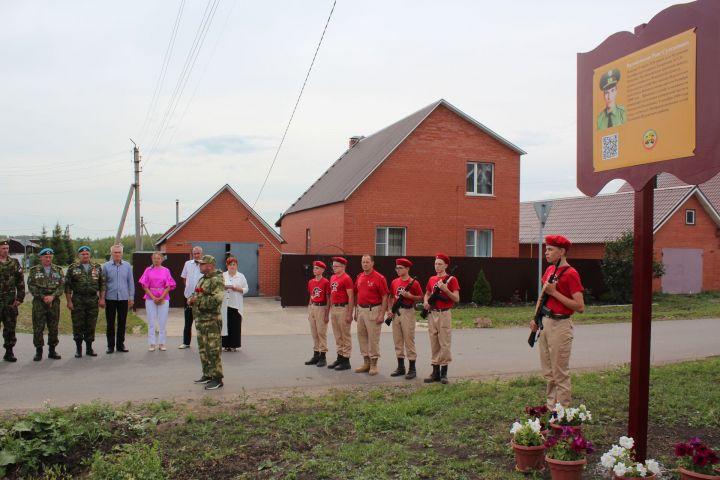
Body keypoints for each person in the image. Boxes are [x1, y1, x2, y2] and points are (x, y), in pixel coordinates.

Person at [530, 235, 585, 409]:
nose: (546, 253)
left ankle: (563, 412)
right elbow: (543, 296)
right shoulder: (549, 271)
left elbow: (580, 306)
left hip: (561, 325)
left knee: (559, 371)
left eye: (550, 249)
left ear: (562, 252)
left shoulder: (571, 274)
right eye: (546, 249)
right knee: (548, 371)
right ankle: (551, 407)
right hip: (545, 322)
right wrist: (535, 318)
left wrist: (555, 293)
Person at [188, 255, 225, 390]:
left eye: (202, 264)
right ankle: (208, 374)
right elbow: (197, 294)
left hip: (211, 320)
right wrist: (191, 298)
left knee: (213, 349)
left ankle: (217, 378)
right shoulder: (203, 279)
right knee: (203, 349)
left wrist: (196, 301)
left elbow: (217, 300)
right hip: (201, 319)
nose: (199, 266)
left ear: (209, 265)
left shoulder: (217, 280)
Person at [423, 253, 460, 385]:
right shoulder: (432, 279)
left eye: (440, 264)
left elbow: (456, 298)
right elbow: (427, 293)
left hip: (444, 313)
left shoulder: (452, 280)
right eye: (435, 264)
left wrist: (446, 290)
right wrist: (426, 302)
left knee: (444, 342)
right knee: (434, 341)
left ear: (446, 265)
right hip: (432, 313)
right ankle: (435, 372)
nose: (437, 266)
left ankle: (444, 373)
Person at [64, 246, 106, 358]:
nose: (85, 256)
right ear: (79, 256)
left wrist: (102, 298)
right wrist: (69, 301)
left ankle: (89, 348)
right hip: (78, 299)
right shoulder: (73, 268)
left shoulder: (96, 267)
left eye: (87, 254)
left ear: (90, 255)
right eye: (83, 254)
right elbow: (67, 286)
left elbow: (102, 284)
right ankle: (78, 349)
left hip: (92, 300)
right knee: (78, 325)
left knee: (91, 325)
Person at [387, 258, 423, 379]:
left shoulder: (414, 282)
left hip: (407, 311)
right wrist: (390, 310)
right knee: (397, 340)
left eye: (400, 268)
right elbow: (391, 297)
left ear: (407, 269)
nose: (397, 270)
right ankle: (400, 367)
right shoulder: (394, 282)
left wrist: (409, 296)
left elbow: (420, 297)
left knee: (408, 339)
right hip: (396, 312)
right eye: (396, 268)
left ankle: (412, 369)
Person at [353, 254, 389, 376]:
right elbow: (356, 293)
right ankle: (366, 363)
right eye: (363, 262)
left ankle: (373, 364)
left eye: (367, 262)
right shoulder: (360, 276)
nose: (365, 264)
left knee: (373, 339)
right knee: (362, 337)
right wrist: (356, 311)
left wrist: (381, 314)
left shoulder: (379, 278)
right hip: (361, 310)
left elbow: (385, 296)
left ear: (372, 263)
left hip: (373, 310)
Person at [27, 248, 64, 361]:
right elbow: (31, 286)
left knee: (53, 327)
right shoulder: (34, 270)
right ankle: (39, 351)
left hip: (54, 302)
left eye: (50, 257)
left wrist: (52, 296)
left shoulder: (58, 270)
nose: (48, 259)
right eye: (45, 257)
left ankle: (52, 351)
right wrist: (43, 297)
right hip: (39, 302)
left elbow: (62, 286)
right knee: (38, 327)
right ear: (41, 257)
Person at [138, 252, 176, 352]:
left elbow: (169, 286)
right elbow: (144, 286)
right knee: (151, 321)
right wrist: (154, 297)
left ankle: (162, 343)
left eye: (158, 258)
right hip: (150, 298)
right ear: (152, 259)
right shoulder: (148, 270)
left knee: (162, 321)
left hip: (164, 298)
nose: (156, 260)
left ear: (162, 259)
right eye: (155, 258)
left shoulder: (166, 270)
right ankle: (152, 343)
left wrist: (162, 297)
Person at [102, 244, 135, 353]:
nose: (117, 254)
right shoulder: (105, 266)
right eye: (115, 252)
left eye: (119, 252)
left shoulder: (127, 266)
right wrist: (101, 298)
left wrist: (131, 297)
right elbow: (102, 283)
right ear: (111, 253)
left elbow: (130, 282)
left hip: (123, 298)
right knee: (110, 323)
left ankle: (120, 345)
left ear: (122, 253)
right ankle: (110, 346)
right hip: (110, 298)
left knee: (122, 322)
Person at [327, 256, 354, 371]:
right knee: (337, 335)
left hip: (343, 308)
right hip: (334, 308)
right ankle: (339, 357)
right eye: (333, 266)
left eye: (336, 266)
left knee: (345, 335)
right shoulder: (332, 277)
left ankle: (346, 360)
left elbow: (351, 296)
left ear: (343, 267)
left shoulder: (346, 278)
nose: (333, 268)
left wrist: (349, 313)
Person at [0, 240, 25, 362]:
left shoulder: (14, 263)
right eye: (3, 248)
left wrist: (20, 298)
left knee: (10, 327)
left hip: (10, 302)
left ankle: (9, 352)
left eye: (7, 248)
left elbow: (20, 281)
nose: (5, 250)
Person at [304, 260, 330, 367]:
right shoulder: (311, 282)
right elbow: (311, 295)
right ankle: (316, 354)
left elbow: (328, 298)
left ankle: (323, 356)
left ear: (322, 270)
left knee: (321, 332)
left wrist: (327, 313)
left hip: (321, 307)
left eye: (317, 268)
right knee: (314, 332)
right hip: (313, 307)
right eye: (314, 268)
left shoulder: (325, 282)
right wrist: (309, 307)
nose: (315, 270)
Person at [221, 256, 248, 352]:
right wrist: (223, 287)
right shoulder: (223, 275)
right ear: (227, 265)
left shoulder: (241, 276)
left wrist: (237, 289)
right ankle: (226, 345)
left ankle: (234, 345)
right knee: (225, 325)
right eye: (230, 264)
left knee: (235, 325)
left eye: (234, 264)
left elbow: (246, 289)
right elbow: (218, 286)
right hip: (225, 304)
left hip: (236, 304)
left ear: (237, 265)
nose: (232, 266)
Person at [179, 246, 203, 349]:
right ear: (192, 254)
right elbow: (184, 278)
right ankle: (186, 342)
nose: (196, 255)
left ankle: (202, 343)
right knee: (188, 321)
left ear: (201, 253)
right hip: (188, 297)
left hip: (201, 297)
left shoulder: (205, 264)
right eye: (195, 253)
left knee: (201, 322)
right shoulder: (187, 264)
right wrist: (189, 288)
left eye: (198, 253)